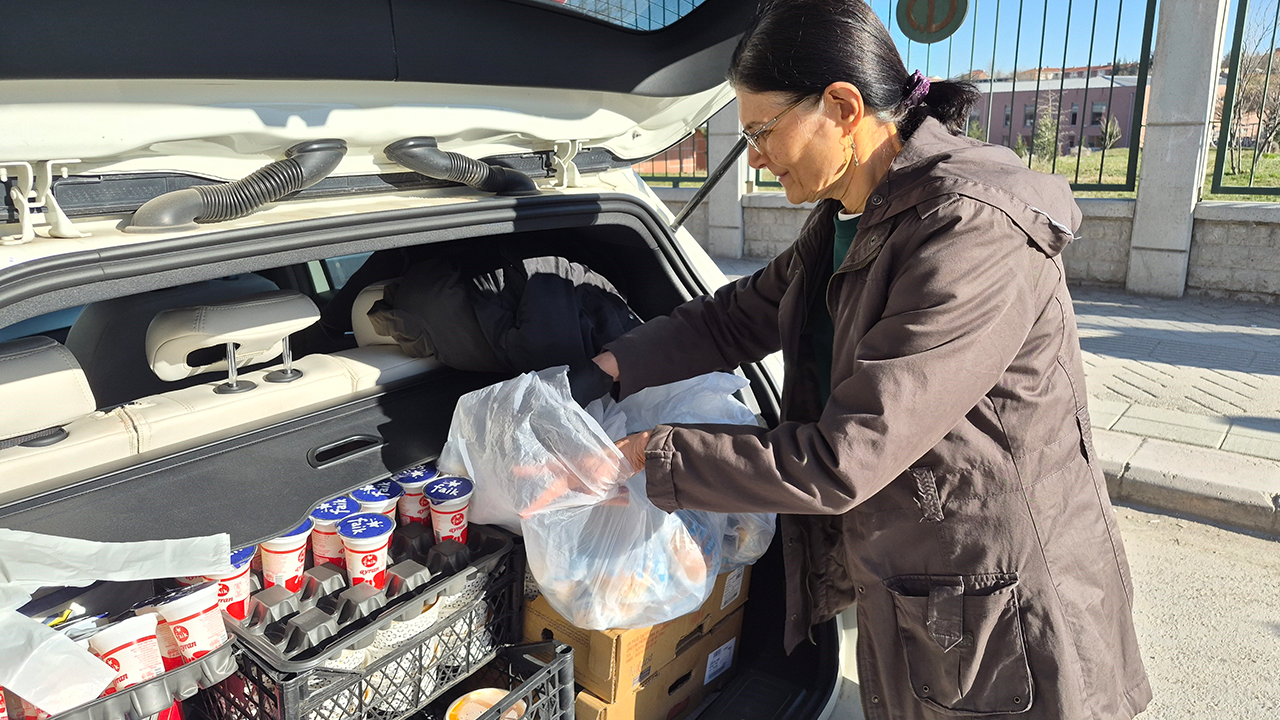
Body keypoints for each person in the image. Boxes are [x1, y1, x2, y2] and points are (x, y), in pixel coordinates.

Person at [592, 1, 1151, 718]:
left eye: (762, 130)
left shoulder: (969, 230)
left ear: (843, 107)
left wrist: (650, 457)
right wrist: (605, 371)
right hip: (915, 573)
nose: (754, 155)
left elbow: (845, 457)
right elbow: (736, 317)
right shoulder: (850, 218)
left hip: (999, 596)